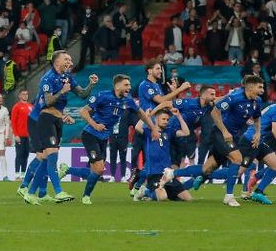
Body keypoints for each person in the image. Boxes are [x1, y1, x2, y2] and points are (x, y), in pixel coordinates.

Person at [60, 75, 154, 204]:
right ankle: (86, 196)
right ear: (117, 86)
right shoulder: (103, 95)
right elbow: (83, 111)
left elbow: (142, 114)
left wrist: (153, 128)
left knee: (95, 172)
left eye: (129, 85)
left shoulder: (128, 100)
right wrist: (95, 125)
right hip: (90, 135)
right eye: (126, 85)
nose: (129, 87)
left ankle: (67, 169)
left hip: (104, 138)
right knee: (99, 169)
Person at [21, 51, 96, 205]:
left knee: (46, 157)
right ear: (57, 62)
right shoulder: (47, 78)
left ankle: (30, 193)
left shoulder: (67, 77)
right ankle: (58, 191)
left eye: (70, 58)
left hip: (57, 119)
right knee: (51, 154)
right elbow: (48, 102)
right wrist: (62, 91)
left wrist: (91, 84)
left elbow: (82, 94)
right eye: (66, 58)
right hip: (46, 118)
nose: (70, 61)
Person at [190, 75, 265, 207]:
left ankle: (173, 174)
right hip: (220, 133)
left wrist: (258, 132)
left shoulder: (257, 101)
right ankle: (229, 196)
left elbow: (257, 118)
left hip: (233, 136)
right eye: (260, 87)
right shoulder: (235, 97)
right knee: (237, 159)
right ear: (251, 87)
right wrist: (224, 131)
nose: (263, 89)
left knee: (208, 168)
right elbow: (214, 112)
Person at [127, 59, 189, 192]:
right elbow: (161, 101)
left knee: (157, 157)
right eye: (157, 68)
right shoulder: (145, 85)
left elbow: (166, 104)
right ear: (149, 71)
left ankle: (139, 183)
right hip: (147, 124)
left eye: (160, 68)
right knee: (153, 157)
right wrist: (180, 89)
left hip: (157, 124)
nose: (160, 71)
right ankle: (141, 182)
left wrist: (173, 94)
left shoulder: (157, 86)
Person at [239, 90, 276, 205]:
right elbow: (275, 130)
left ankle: (258, 192)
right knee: (237, 171)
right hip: (250, 141)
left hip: (259, 141)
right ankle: (204, 174)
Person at [138, 107, 194, 202]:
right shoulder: (148, 131)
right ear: (156, 119)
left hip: (167, 174)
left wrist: (179, 117)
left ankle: (165, 192)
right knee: (162, 198)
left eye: (167, 119)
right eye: (163, 119)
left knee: (188, 198)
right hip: (154, 173)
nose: (166, 121)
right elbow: (137, 127)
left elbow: (186, 132)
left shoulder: (169, 131)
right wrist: (146, 116)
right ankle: (146, 191)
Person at [10, 89, 32, 177]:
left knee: (26, 154)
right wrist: (16, 135)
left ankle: (23, 174)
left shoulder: (31, 106)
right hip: (19, 135)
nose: (25, 96)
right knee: (19, 154)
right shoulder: (17, 106)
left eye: (26, 94)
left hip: (28, 135)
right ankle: (16, 174)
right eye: (23, 94)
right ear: (20, 96)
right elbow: (13, 122)